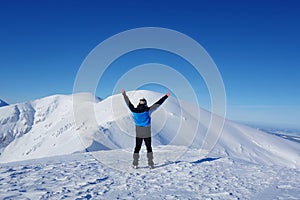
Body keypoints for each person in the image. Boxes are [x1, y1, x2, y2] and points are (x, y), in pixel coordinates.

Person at [121, 89, 170, 169]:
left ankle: (135, 163)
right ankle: (150, 163)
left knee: (137, 147)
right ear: (146, 104)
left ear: (139, 103)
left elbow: (128, 103)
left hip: (138, 131)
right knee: (148, 147)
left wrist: (124, 95)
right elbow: (158, 104)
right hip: (147, 131)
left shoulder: (134, 110)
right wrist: (166, 96)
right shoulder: (148, 110)